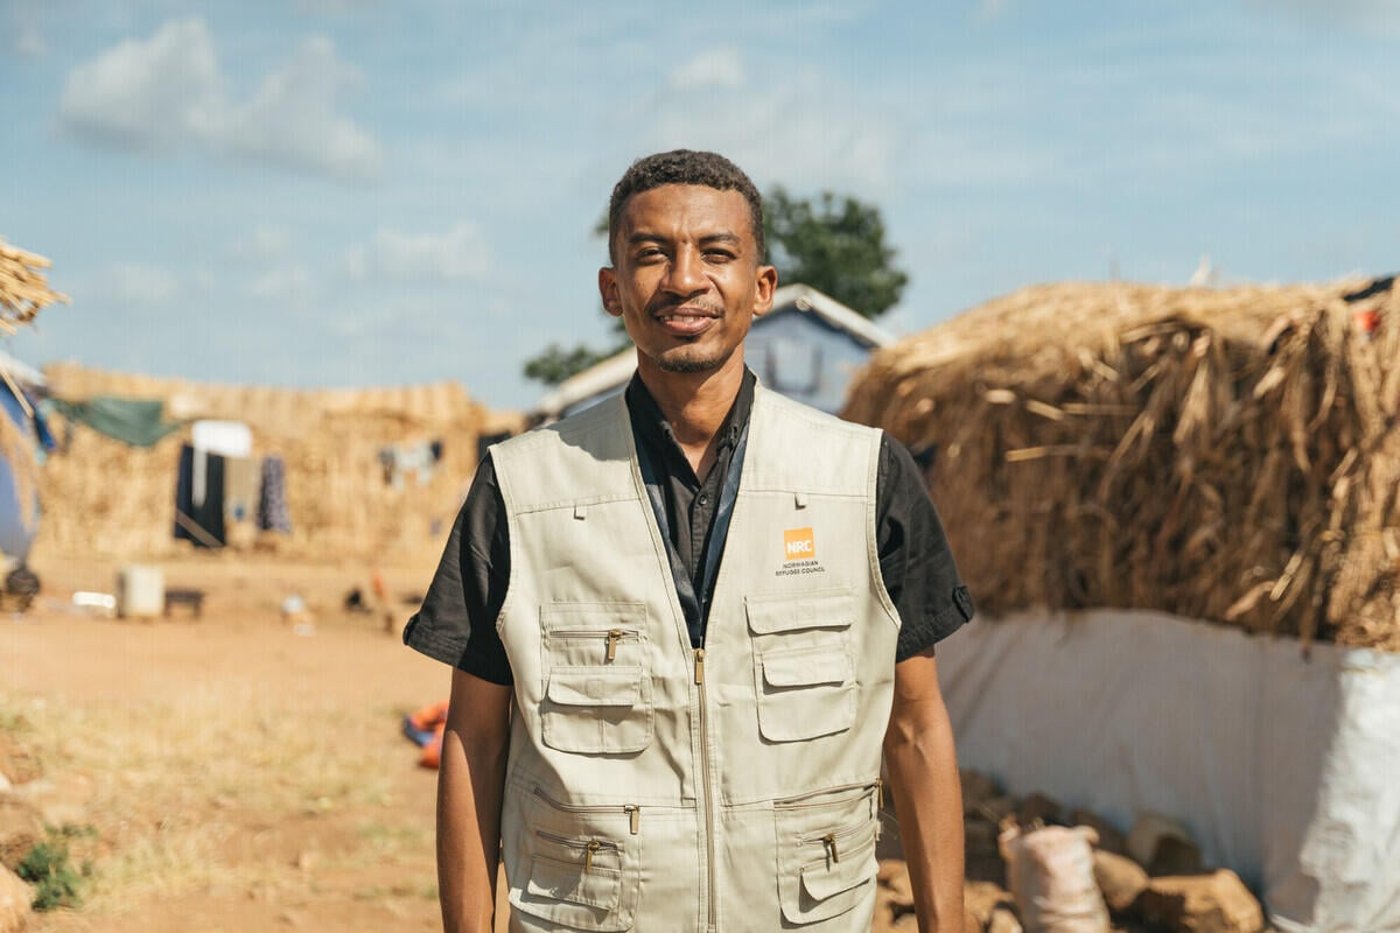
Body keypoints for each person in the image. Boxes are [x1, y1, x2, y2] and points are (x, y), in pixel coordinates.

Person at [404, 149, 974, 932]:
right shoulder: (520, 488)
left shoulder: (865, 476)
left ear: (761, 287)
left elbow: (915, 724)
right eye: (650, 254)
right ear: (613, 290)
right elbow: (474, 737)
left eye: (716, 252)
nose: (683, 279)